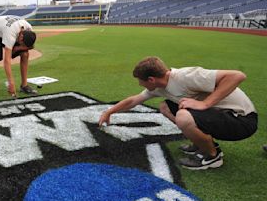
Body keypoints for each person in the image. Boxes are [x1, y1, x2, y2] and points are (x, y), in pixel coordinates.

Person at [98, 56, 258, 170]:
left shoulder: (185, 76)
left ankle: (212, 156)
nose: (140, 84)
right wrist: (110, 111)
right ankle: (202, 144)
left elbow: (237, 76)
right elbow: (134, 100)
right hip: (222, 116)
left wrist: (205, 103)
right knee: (166, 107)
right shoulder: (160, 86)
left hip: (241, 120)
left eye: (140, 80)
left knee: (183, 115)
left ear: (151, 79)